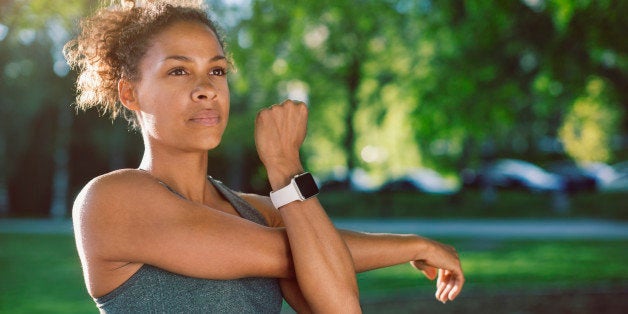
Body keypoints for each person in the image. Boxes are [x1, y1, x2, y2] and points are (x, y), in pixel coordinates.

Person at [64, 0, 464, 312]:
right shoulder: (110, 201)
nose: (206, 88)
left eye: (217, 71)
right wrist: (285, 166)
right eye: (179, 71)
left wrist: (287, 176)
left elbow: (340, 306)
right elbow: (288, 253)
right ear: (129, 93)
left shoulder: (262, 213)